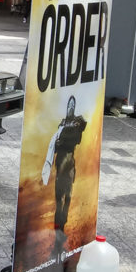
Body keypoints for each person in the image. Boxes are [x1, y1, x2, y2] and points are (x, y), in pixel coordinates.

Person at [41, 95, 88, 253]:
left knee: (66, 198)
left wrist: (65, 136)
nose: (71, 107)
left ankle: (61, 230)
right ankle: (58, 233)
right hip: (61, 165)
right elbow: (57, 142)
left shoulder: (77, 121)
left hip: (69, 165)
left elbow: (76, 137)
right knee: (59, 200)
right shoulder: (63, 122)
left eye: (73, 104)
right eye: (69, 104)